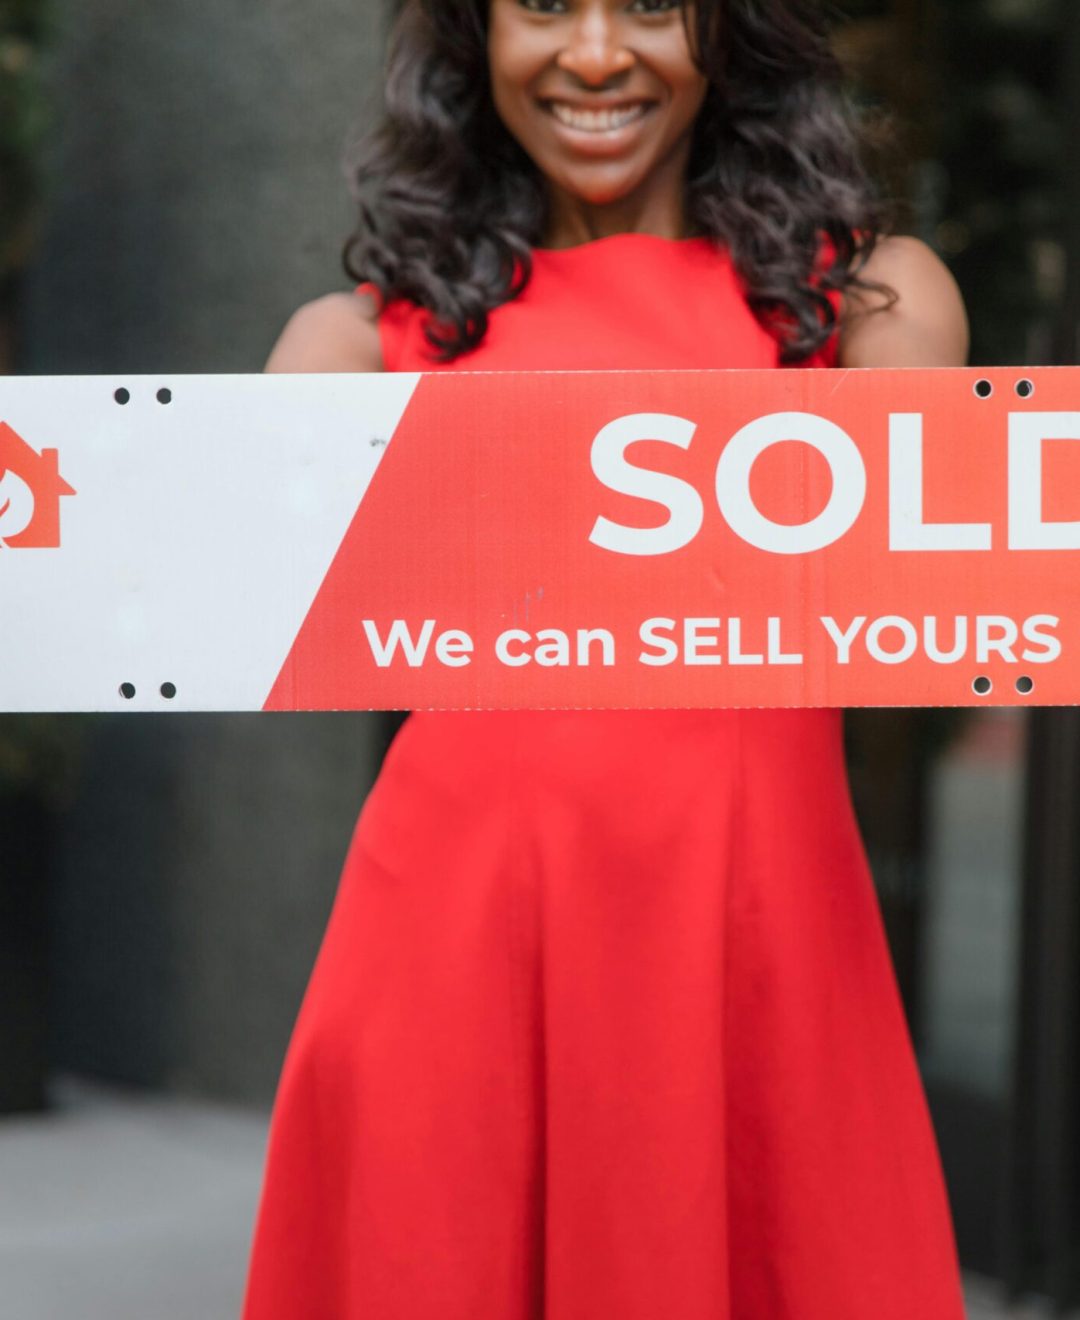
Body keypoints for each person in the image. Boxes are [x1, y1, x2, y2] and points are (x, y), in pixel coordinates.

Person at [242, 1, 970, 1316]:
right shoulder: (353, 344)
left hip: (755, 948)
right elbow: (233, 597)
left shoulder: (869, 305)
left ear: (729, 29)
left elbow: (909, 606)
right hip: (452, 956)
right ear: (473, 37)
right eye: (541, 7)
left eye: (646, 3)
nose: (591, 54)